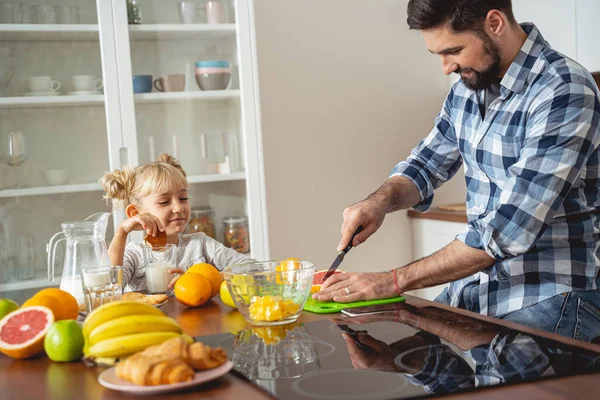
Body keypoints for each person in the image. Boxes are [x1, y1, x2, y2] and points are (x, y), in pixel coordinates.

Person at [314, 0, 600, 340]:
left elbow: (507, 231)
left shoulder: (563, 90)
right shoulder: (469, 87)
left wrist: (391, 281)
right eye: (438, 54)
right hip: (479, 291)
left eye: (453, 50)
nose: (446, 67)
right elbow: (427, 163)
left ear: (495, 23)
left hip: (553, 297)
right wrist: (380, 201)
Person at [100, 153, 254, 291]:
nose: (179, 207)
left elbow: (252, 268)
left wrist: (201, 280)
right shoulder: (135, 254)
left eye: (183, 198)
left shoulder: (201, 245)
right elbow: (110, 288)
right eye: (164, 202)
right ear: (135, 213)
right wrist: (121, 232)